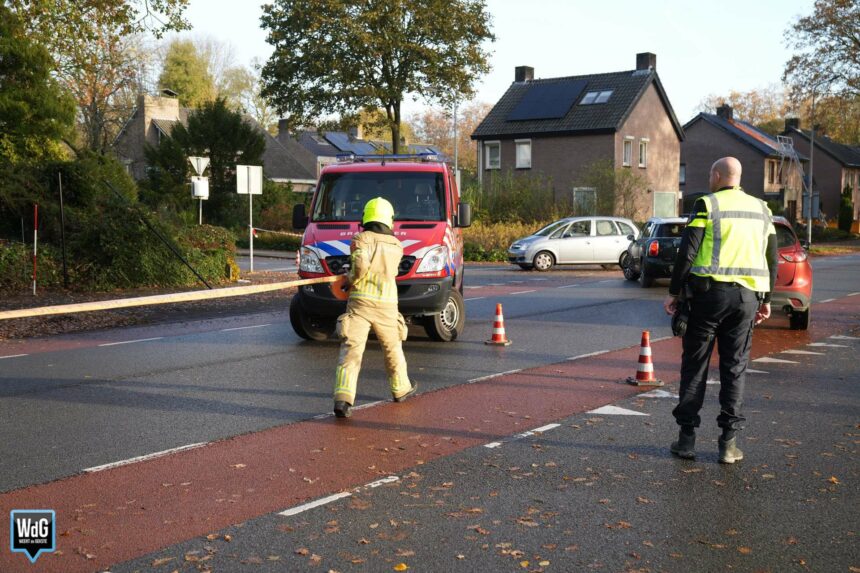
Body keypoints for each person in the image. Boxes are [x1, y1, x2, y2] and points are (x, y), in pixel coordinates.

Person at [663, 157, 778, 463]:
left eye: (709, 175)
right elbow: (772, 258)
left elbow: (687, 252)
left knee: (695, 366)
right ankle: (728, 444)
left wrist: (674, 292)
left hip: (708, 297)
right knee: (735, 367)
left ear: (716, 175)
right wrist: (766, 299)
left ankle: (686, 440)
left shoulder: (706, 205)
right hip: (746, 300)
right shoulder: (762, 209)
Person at [333, 197, 416, 418]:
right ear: (389, 219)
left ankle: (343, 399)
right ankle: (401, 389)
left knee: (352, 350)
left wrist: (349, 279)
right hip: (388, 305)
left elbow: (360, 267)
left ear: (366, 217)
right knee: (393, 348)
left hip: (361, 304)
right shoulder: (397, 244)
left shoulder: (360, 239)